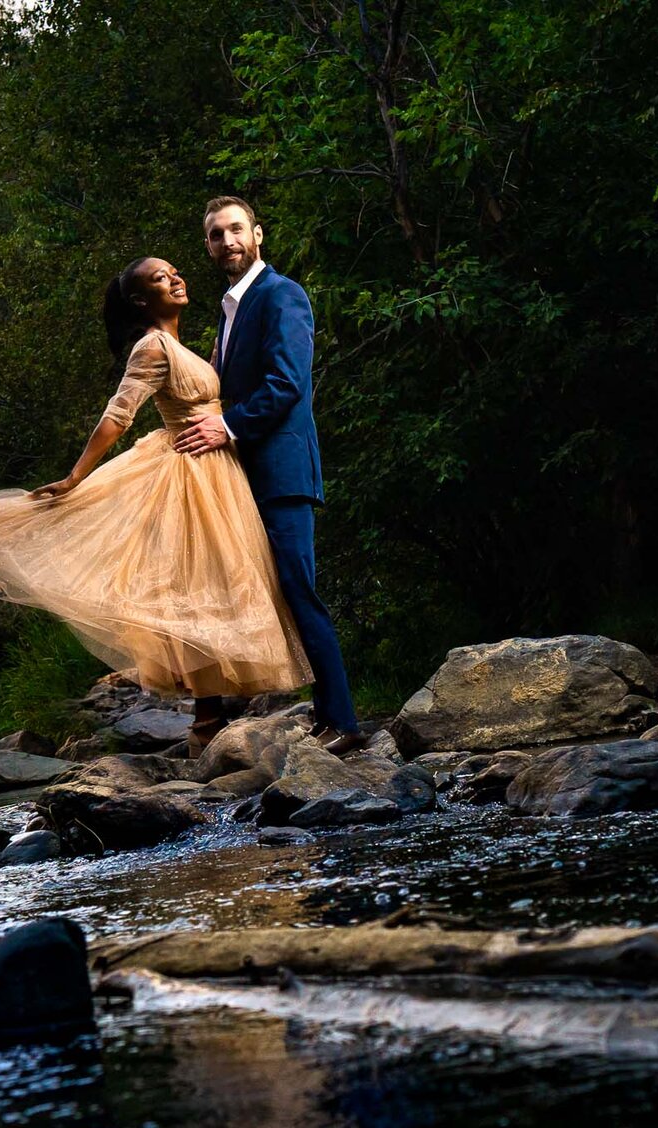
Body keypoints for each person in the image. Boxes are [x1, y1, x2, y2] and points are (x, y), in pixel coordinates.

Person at [0, 256, 311, 756]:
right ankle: (206, 723)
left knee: (218, 582)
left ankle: (211, 716)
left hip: (218, 470)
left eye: (175, 271)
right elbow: (119, 414)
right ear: (140, 300)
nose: (176, 278)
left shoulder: (182, 344)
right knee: (199, 584)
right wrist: (75, 476)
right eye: (160, 278)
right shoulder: (152, 346)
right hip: (190, 473)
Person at [171, 195, 365, 753]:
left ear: (258, 235)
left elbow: (286, 385)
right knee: (268, 592)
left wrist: (225, 427)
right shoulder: (230, 312)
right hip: (242, 477)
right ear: (208, 247)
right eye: (215, 235)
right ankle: (319, 716)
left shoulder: (282, 295)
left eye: (236, 229)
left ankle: (344, 724)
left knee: (299, 590)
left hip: (281, 471)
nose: (227, 240)